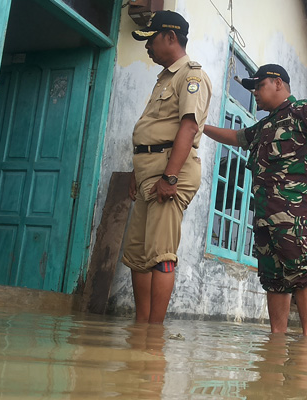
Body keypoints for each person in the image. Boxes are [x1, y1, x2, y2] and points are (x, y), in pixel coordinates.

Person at [203, 64, 307, 337]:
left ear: (278, 83)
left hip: (296, 214)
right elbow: (235, 137)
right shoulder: (265, 126)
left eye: (259, 86)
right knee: (274, 280)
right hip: (265, 217)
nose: (255, 92)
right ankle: (276, 340)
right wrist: (199, 126)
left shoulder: (303, 110)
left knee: (303, 275)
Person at [122, 11, 212, 324]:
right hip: (151, 171)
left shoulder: (191, 76)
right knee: (137, 254)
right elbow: (153, 129)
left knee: (160, 253)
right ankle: (141, 326)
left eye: (151, 39)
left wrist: (170, 177)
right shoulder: (166, 77)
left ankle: (153, 335)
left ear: (170, 37)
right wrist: (137, 172)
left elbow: (187, 128)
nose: (147, 47)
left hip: (170, 172)